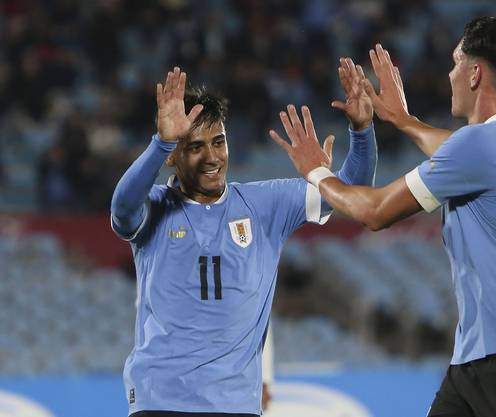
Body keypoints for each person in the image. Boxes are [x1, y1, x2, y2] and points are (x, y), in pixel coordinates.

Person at [269, 17, 496, 417]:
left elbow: (375, 211)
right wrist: (402, 121)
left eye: (455, 63)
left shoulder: (480, 146)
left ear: (474, 74)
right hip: (490, 356)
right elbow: (459, 151)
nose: (449, 74)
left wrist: (317, 171)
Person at [110, 62, 377, 417]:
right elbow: (122, 209)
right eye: (195, 147)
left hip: (236, 405)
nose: (212, 157)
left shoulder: (266, 204)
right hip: (160, 401)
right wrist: (160, 143)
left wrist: (361, 130)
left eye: (219, 142)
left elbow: (352, 193)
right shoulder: (155, 205)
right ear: (173, 155)